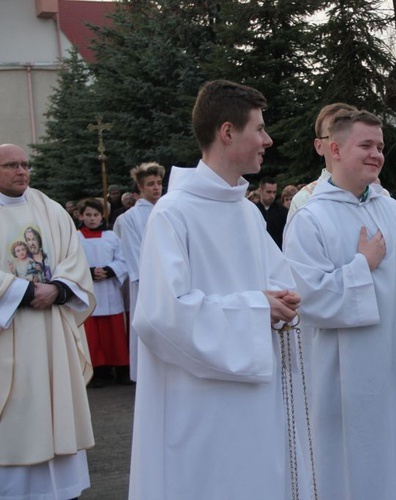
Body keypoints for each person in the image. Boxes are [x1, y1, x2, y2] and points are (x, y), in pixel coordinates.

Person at [129, 79, 305, 499]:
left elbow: (279, 283)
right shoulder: (173, 213)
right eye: (259, 128)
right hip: (200, 403)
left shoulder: (245, 213)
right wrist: (256, 308)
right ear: (227, 132)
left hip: (256, 396)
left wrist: (285, 301)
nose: (268, 139)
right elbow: (159, 315)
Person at [284, 109, 396, 500]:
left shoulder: (393, 212)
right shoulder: (310, 217)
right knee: (350, 463)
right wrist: (362, 265)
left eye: (380, 147)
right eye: (366, 145)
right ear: (334, 149)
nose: (376, 154)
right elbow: (310, 299)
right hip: (342, 369)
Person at [0, 143, 96, 499]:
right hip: (10, 332)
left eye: (25, 164)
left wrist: (56, 289)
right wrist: (24, 293)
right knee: (18, 416)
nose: (21, 171)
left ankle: (63, 490)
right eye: (11, 165)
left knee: (58, 407)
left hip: (52, 332)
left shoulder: (49, 208)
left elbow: (75, 259)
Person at [112, 162, 165, 381]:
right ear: (140, 189)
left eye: (159, 183)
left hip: (170, 280)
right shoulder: (128, 218)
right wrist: (147, 279)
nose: (156, 188)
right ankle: (145, 375)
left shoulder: (168, 210)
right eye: (150, 184)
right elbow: (131, 252)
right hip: (145, 283)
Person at [78, 198, 130, 387]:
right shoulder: (76, 237)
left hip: (109, 290)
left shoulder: (111, 236)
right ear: (81, 215)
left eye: (96, 215)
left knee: (114, 334)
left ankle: (121, 369)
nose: (92, 219)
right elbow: (71, 262)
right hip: (89, 291)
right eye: (88, 215)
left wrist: (109, 270)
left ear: (102, 216)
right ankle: (98, 372)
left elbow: (123, 259)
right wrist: (90, 272)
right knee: (93, 335)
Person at [286, 102, 357, 221]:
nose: (344, 143)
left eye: (350, 136)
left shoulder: (379, 195)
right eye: (333, 137)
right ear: (319, 146)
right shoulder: (304, 200)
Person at [255, 177, 288, 248]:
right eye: (269, 192)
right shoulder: (253, 210)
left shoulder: (283, 212)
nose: (272, 196)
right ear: (260, 191)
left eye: (274, 192)